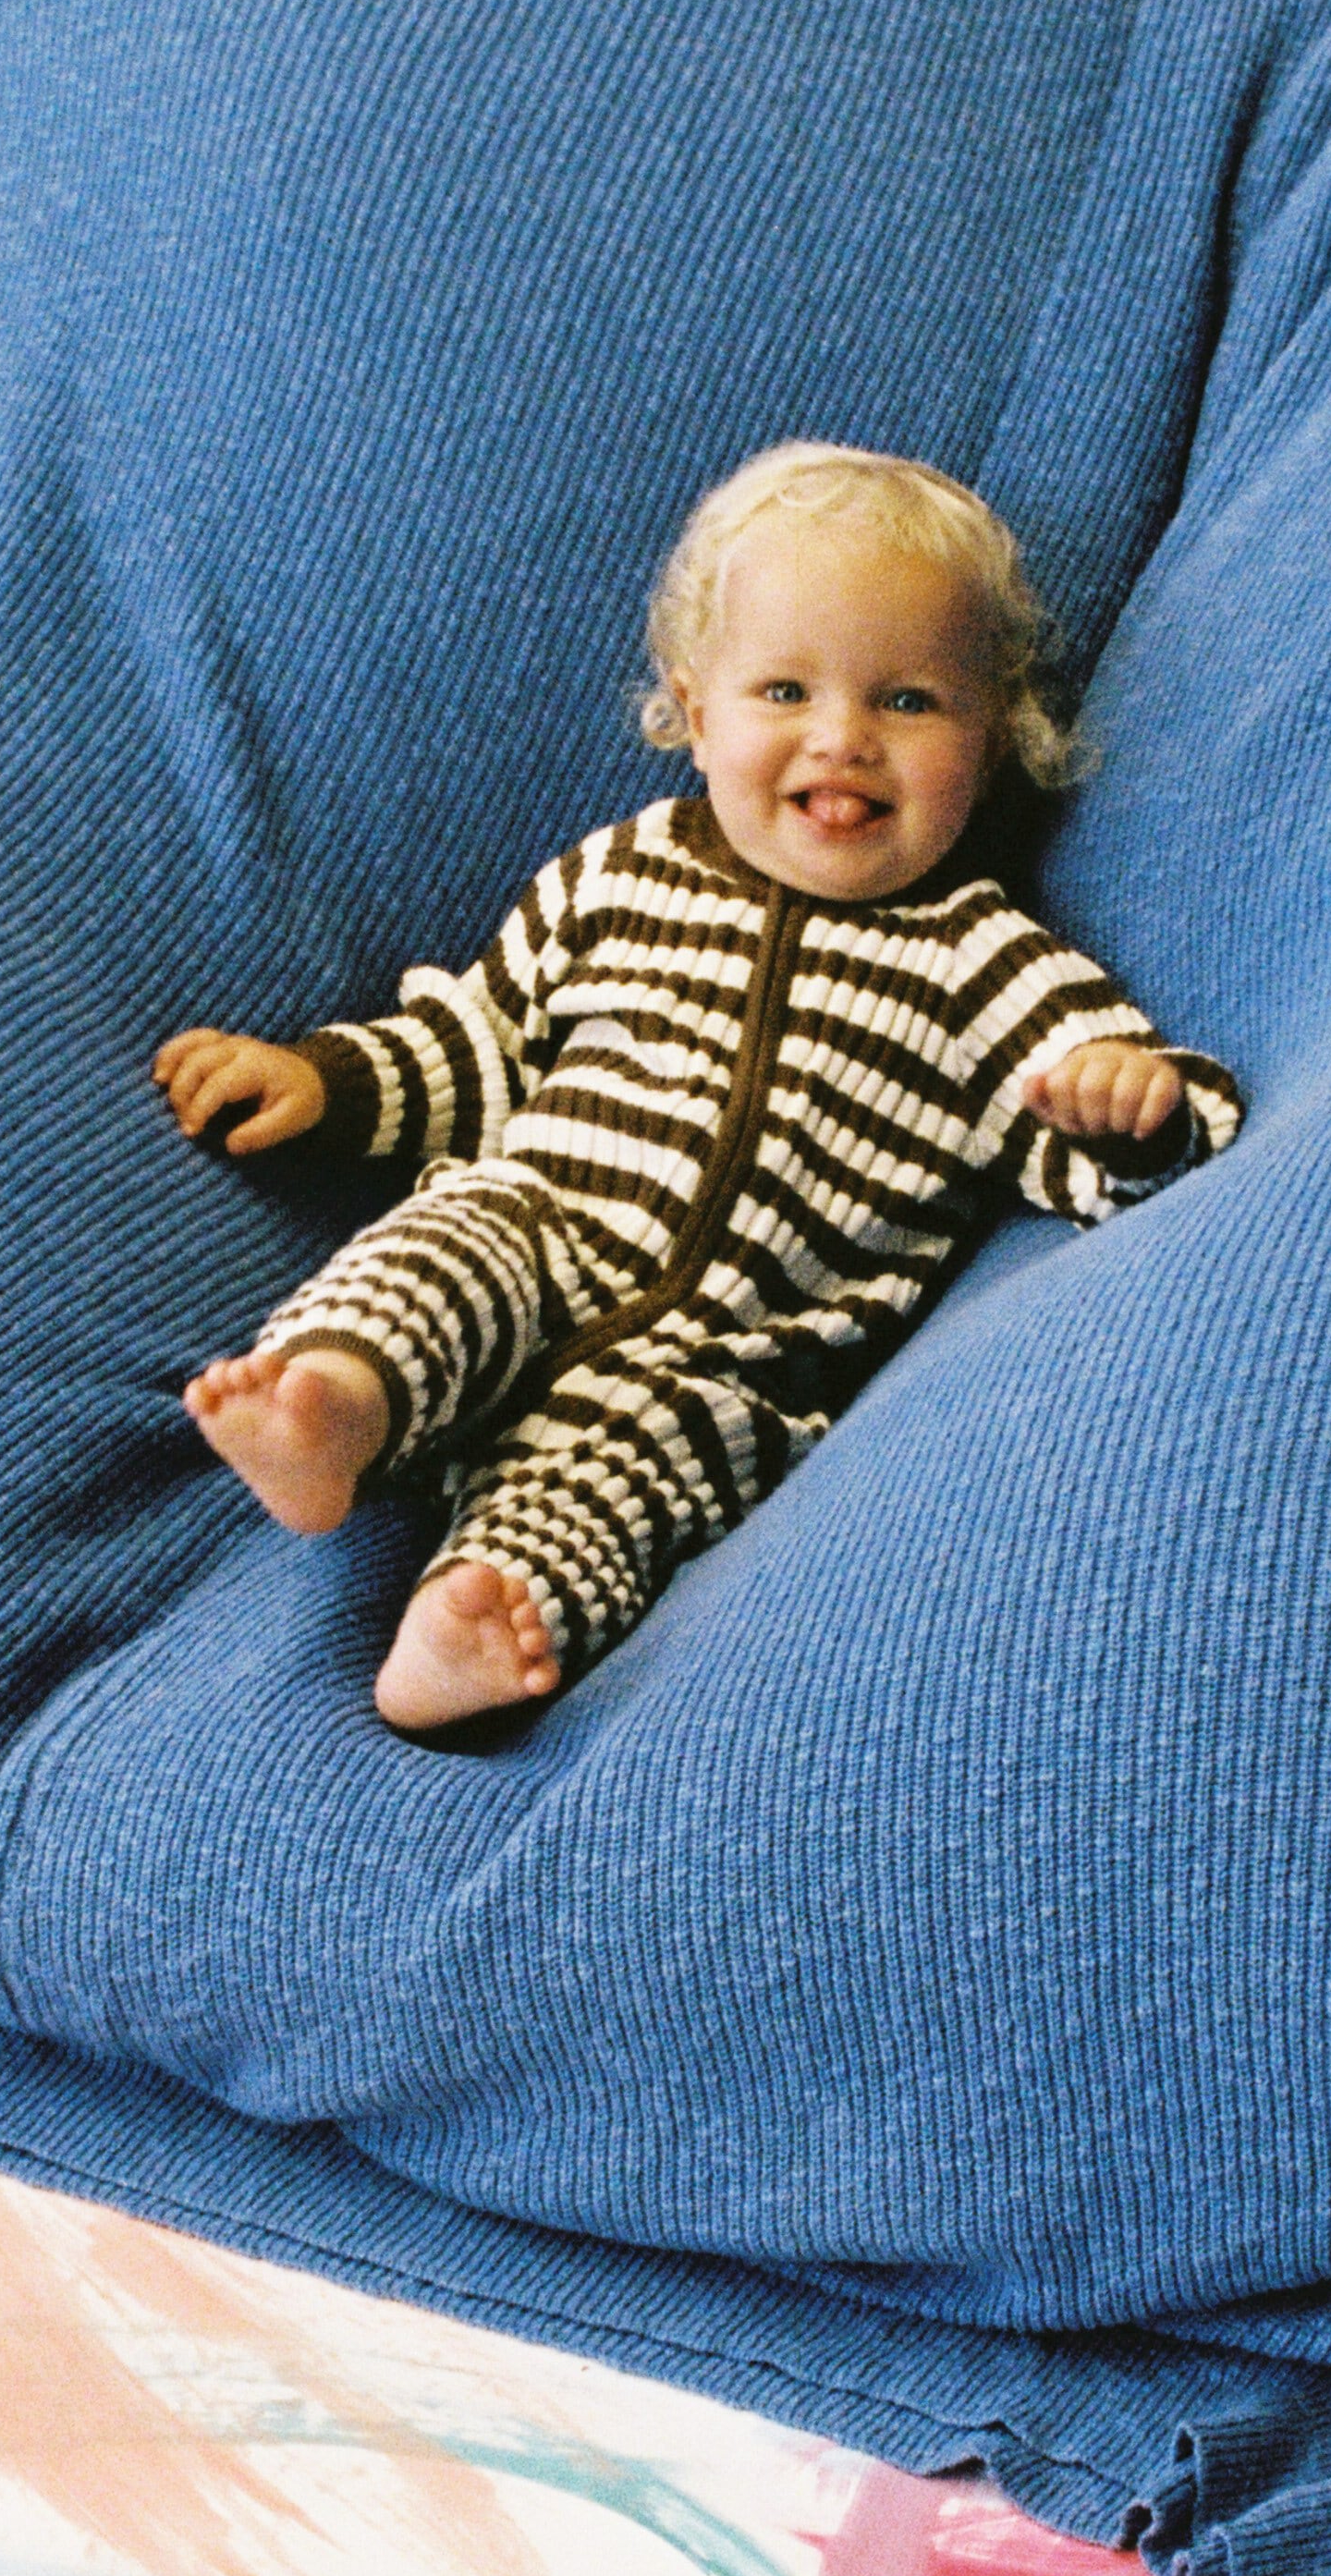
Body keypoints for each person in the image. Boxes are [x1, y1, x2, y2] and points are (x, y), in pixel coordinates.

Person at [153, 441, 1241, 1732]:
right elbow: (481, 1045)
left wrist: (1134, 1108)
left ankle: (476, 1616)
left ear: (993, 738)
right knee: (449, 1240)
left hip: (738, 1353)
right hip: (547, 1229)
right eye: (785, 689)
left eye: (909, 702)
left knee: (643, 1473)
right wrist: (325, 1079)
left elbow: (1120, 1144)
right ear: (694, 710)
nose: (843, 738)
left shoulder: (984, 961)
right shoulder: (621, 874)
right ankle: (337, 1404)